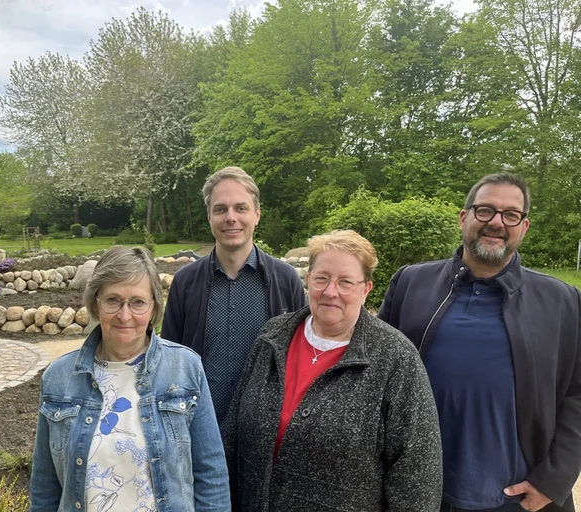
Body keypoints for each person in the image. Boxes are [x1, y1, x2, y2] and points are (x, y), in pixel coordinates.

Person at [378, 172, 581, 512]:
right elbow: (376, 374)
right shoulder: (411, 283)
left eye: (510, 215)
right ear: (464, 218)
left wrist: (554, 480)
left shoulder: (562, 301)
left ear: (524, 226)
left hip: (516, 499)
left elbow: (578, 394)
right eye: (485, 210)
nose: (496, 222)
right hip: (419, 491)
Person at [222, 229, 443, 511]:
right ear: (308, 280)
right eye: (321, 278)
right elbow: (233, 437)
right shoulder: (272, 336)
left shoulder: (395, 357)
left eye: (346, 282)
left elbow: (417, 477)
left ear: (366, 290)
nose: (330, 291)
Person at [30, 246, 230, 512]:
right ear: (96, 303)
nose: (125, 316)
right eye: (113, 300)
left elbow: (211, 474)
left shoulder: (185, 369)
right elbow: (45, 487)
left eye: (137, 302)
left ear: (153, 307)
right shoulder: (59, 377)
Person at [161, 166, 306, 423]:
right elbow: (169, 362)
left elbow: (300, 362)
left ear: (257, 215)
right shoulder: (184, 283)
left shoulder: (286, 281)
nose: (231, 217)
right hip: (200, 431)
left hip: (264, 433)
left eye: (241, 208)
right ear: (209, 217)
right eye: (220, 209)